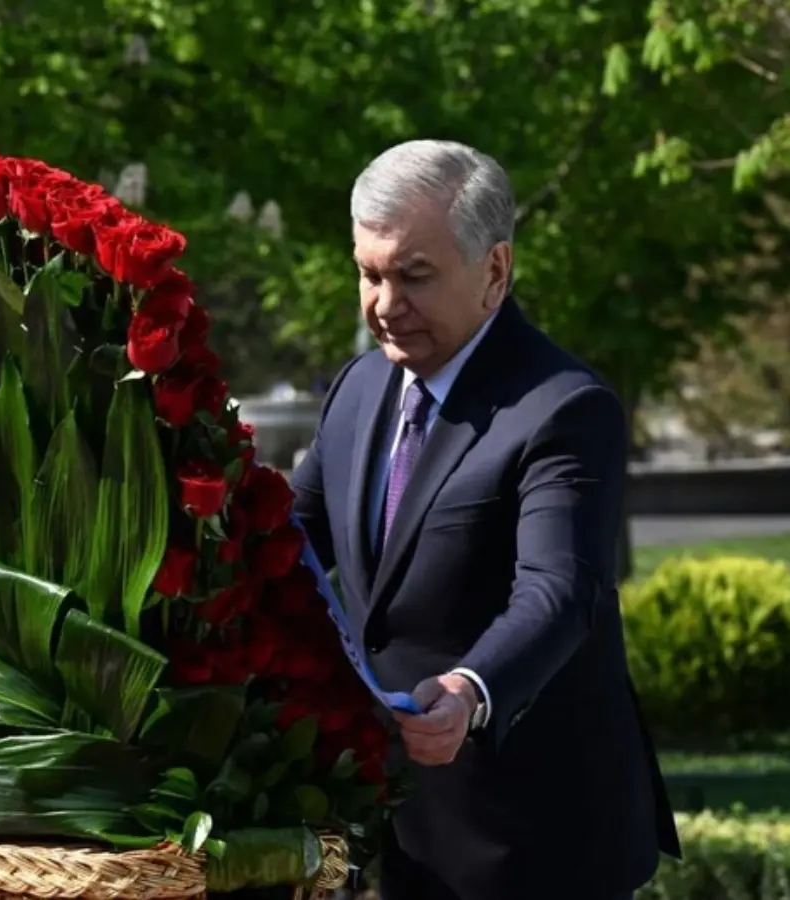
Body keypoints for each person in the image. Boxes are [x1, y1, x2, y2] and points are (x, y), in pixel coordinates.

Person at [289, 140, 680, 900]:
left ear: (495, 271)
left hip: (532, 844)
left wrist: (472, 689)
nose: (383, 304)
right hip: (386, 829)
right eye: (368, 274)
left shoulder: (564, 408)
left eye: (414, 276)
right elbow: (283, 542)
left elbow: (559, 588)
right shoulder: (360, 387)